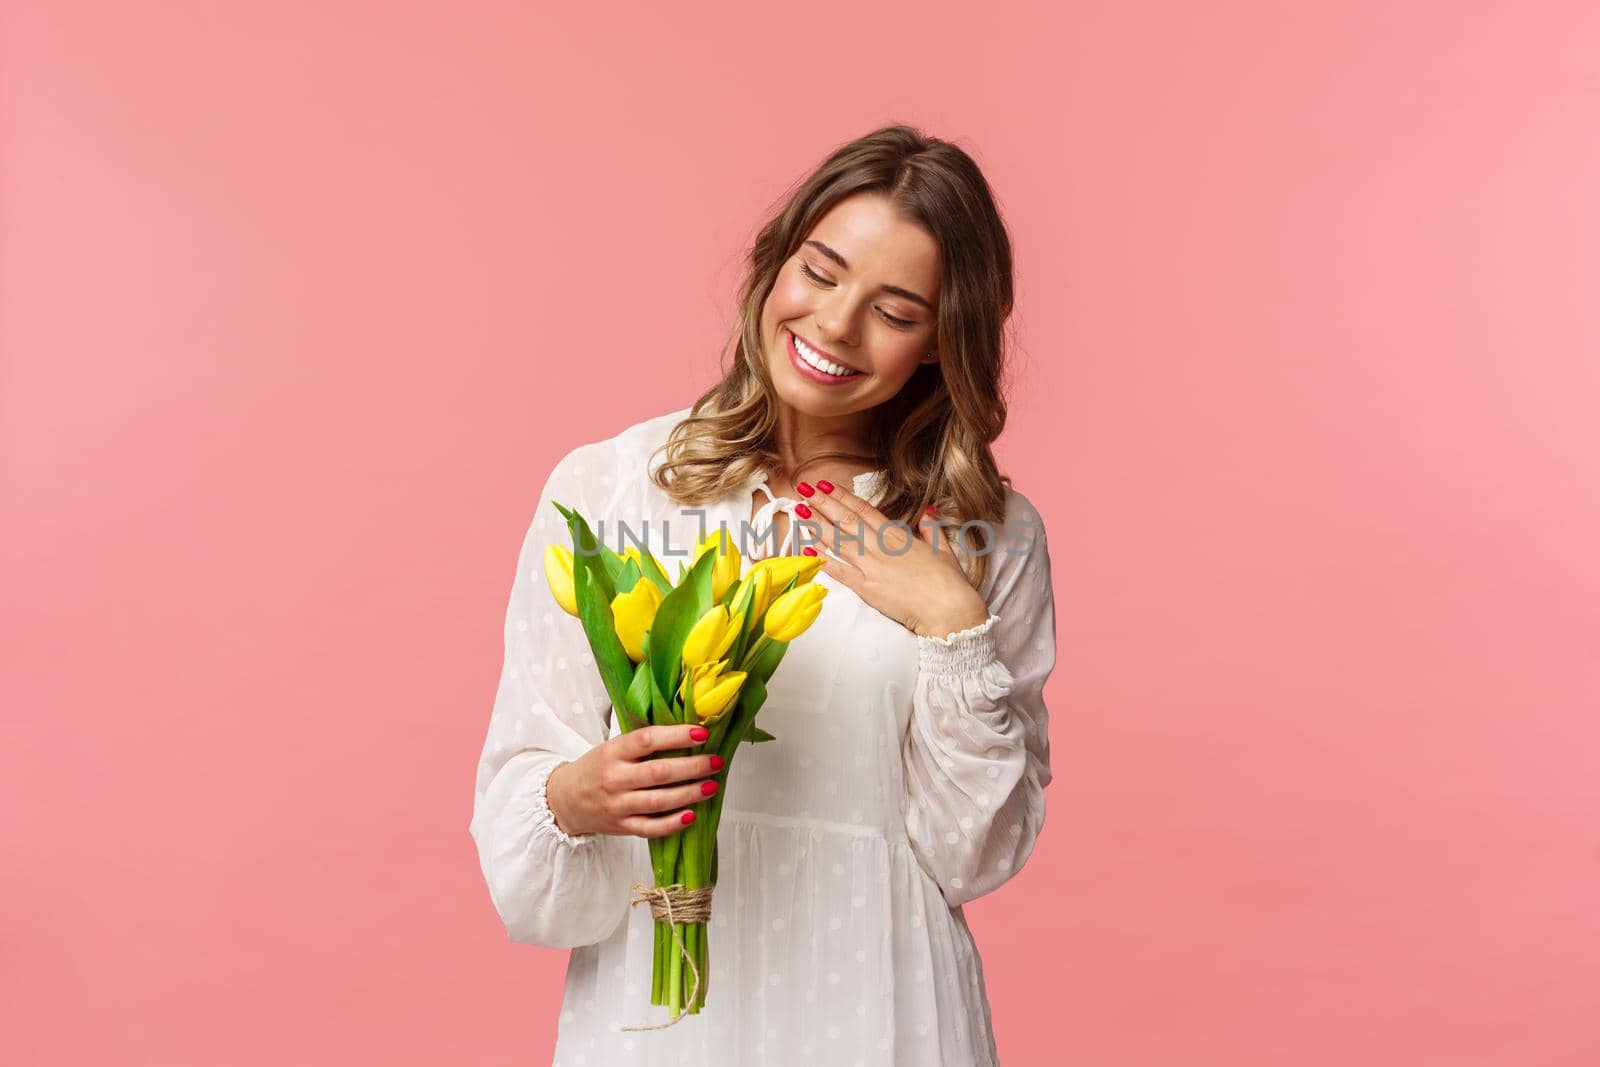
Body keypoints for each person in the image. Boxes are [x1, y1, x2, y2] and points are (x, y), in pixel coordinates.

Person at [469, 124, 1057, 1066]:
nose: (834, 325)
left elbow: (968, 856)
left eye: (895, 310)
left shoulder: (987, 530)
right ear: (775, 261)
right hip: (660, 1015)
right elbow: (521, 822)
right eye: (820, 272)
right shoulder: (613, 488)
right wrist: (580, 794)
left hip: (886, 1004)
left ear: (942, 346)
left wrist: (951, 620)